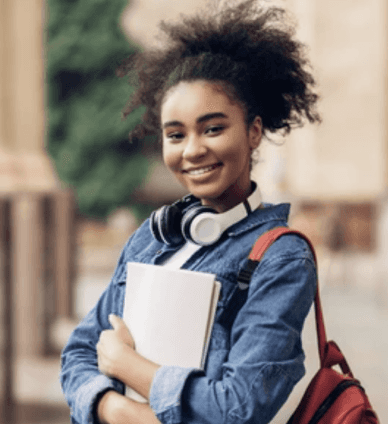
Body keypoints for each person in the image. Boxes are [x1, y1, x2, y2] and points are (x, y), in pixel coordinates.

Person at [60, 1, 321, 423]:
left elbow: (239, 406)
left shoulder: (281, 258)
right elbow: (79, 352)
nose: (193, 149)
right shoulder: (152, 236)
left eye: (213, 128)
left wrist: (128, 369)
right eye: (175, 134)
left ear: (254, 131)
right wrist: (114, 407)